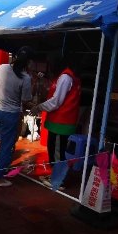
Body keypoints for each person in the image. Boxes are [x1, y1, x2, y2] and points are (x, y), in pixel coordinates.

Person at [0, 46, 35, 186]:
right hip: (10, 114)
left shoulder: (2, 68)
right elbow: (25, 99)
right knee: (6, 146)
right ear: (28, 62)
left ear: (15, 57)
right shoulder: (26, 78)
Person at [30, 54, 82, 189]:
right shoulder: (66, 76)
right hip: (58, 122)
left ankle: (60, 180)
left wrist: (39, 107)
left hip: (62, 122)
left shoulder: (65, 77)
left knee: (58, 151)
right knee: (54, 149)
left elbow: (56, 101)